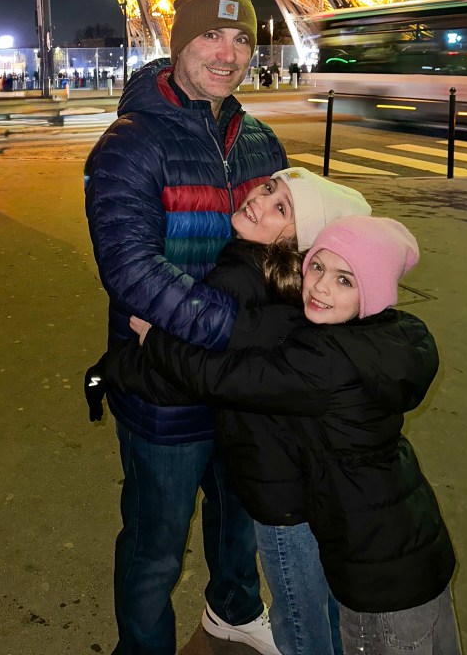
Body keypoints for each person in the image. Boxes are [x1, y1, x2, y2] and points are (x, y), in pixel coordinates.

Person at [102, 216, 461, 655]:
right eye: (317, 267)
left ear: (373, 293)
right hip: (418, 545)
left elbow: (223, 378)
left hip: (377, 576)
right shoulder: (392, 335)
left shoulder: (326, 362)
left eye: (344, 279)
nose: (320, 287)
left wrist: (156, 339)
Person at [87, 168, 372, 655]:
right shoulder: (283, 282)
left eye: (281, 207)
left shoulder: (241, 276)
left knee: (156, 548)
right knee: (216, 530)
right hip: (241, 436)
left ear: (298, 240)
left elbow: (182, 374)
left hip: (197, 427)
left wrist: (115, 368)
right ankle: (230, 610)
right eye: (268, 189)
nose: (259, 201)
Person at [84, 0, 287, 655]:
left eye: (241, 38)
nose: (227, 53)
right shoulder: (131, 142)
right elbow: (131, 271)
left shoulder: (262, 141)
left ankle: (234, 609)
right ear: (177, 46)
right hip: (163, 385)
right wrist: (235, 331)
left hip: (242, 383)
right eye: (209, 35)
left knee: (239, 520)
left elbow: (291, 254)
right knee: (155, 544)